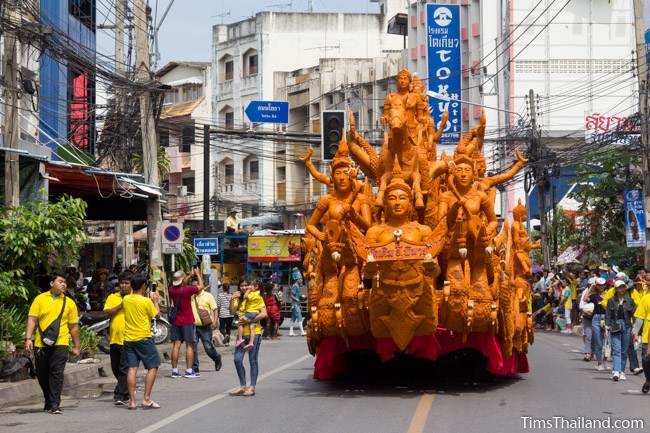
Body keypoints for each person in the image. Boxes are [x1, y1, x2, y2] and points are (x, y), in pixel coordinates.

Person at [24, 273, 80, 414]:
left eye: (65, 282)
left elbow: (73, 327)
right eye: (60, 281)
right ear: (51, 283)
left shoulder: (69, 303)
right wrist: (28, 338)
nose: (64, 284)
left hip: (61, 342)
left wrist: (77, 346)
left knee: (57, 373)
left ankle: (55, 403)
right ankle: (48, 399)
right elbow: (32, 319)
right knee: (42, 374)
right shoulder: (40, 299)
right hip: (41, 343)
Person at [122, 275, 161, 409]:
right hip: (143, 338)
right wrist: (155, 301)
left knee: (132, 369)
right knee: (153, 366)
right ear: (144, 286)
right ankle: (146, 398)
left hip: (128, 339)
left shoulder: (126, 299)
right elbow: (157, 315)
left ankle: (132, 401)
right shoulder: (146, 301)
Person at [230, 281, 267, 396]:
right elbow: (232, 311)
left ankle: (252, 387)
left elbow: (264, 314)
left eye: (246, 285)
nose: (244, 287)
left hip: (254, 333)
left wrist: (250, 320)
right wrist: (232, 298)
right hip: (241, 335)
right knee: (237, 359)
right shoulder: (239, 298)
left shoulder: (256, 297)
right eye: (242, 285)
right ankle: (242, 386)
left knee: (253, 360)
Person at [102, 271, 132, 405]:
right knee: (115, 368)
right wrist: (121, 305)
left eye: (127, 283)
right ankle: (125, 391)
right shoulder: (112, 297)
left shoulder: (136, 298)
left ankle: (119, 394)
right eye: (122, 283)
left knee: (123, 369)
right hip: (114, 338)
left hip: (129, 338)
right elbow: (107, 313)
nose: (124, 286)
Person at [168, 269, 201, 378]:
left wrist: (189, 275)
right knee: (190, 345)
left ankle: (174, 371)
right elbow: (200, 286)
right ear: (182, 280)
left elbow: (181, 283)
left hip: (176, 321)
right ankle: (189, 370)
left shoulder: (171, 290)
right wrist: (197, 275)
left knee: (176, 345)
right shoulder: (188, 290)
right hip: (187, 320)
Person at [190, 273, 222, 375]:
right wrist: (191, 274)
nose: (195, 288)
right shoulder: (190, 296)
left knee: (208, 347)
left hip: (205, 326)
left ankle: (216, 358)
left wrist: (215, 321)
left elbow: (215, 309)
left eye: (197, 285)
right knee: (193, 348)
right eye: (193, 286)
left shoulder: (208, 296)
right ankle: (195, 368)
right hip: (193, 326)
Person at [606, 279, 636, 381]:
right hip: (615, 325)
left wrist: (635, 329)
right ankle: (616, 371)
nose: (622, 289)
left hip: (627, 326)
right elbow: (608, 315)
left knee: (624, 350)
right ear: (616, 289)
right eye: (619, 287)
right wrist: (606, 327)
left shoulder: (630, 300)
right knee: (616, 349)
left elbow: (635, 315)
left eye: (623, 287)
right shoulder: (611, 300)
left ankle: (622, 371)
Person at [236, 281, 264, 351]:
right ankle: (251, 342)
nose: (248, 286)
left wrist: (248, 290)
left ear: (256, 287)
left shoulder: (252, 294)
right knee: (252, 327)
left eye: (250, 285)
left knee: (240, 322)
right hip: (256, 313)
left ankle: (240, 339)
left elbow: (245, 296)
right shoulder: (259, 294)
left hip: (250, 312)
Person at [588, 277, 608, 370]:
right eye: (599, 285)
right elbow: (585, 299)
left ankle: (605, 361)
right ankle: (600, 363)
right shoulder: (593, 296)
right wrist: (591, 288)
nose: (601, 287)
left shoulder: (609, 295)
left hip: (607, 318)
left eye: (602, 285)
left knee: (607, 342)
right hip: (596, 318)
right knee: (598, 342)